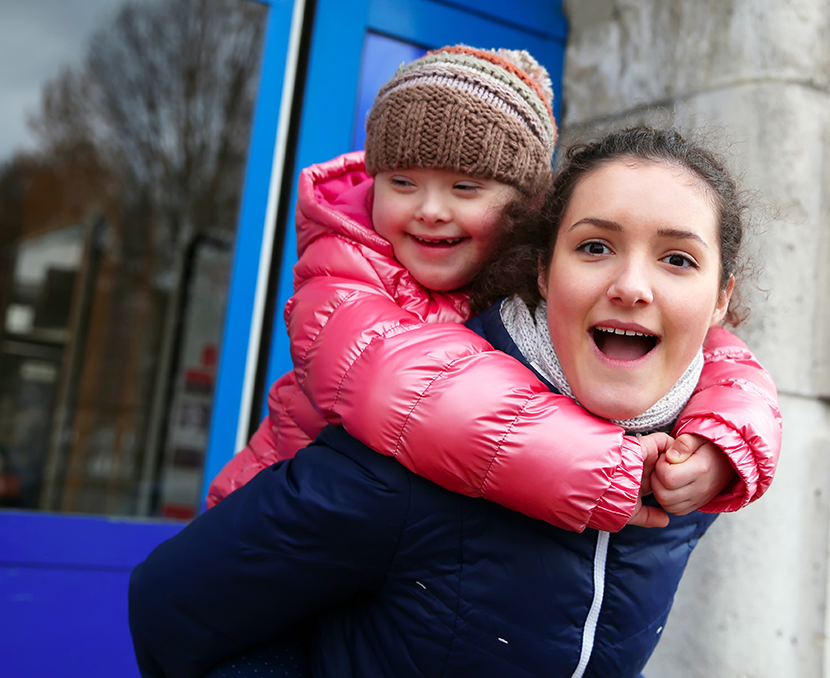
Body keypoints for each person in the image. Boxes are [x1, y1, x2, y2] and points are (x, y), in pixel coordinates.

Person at [129, 125, 779, 678]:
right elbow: (171, 608)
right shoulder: (417, 449)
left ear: (720, 300)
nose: (632, 285)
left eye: (677, 259)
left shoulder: (692, 477)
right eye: (595, 247)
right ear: (544, 273)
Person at [206, 45, 781, 532]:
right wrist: (604, 470)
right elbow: (419, 396)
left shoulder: (536, 289)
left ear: (525, 210)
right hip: (260, 527)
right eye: (402, 182)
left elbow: (718, 358)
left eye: (464, 187)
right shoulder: (343, 274)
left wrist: (724, 442)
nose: (430, 210)